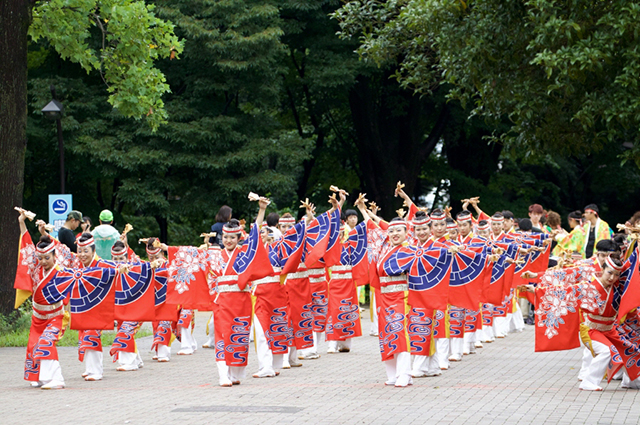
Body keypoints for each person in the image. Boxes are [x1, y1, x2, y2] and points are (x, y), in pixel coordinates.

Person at [15, 211, 67, 389]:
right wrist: (22, 222)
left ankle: (57, 378)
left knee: (46, 342)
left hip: (55, 316)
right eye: (41, 258)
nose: (43, 261)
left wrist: (45, 233)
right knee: (33, 345)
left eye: (47, 257)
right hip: (38, 316)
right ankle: (37, 376)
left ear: (54, 256)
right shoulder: (35, 266)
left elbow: (62, 250)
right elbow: (27, 246)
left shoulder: (61, 270)